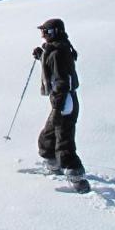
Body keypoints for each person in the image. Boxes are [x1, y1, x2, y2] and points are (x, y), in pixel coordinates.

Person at [32, 18, 84, 177]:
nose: (43, 35)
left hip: (64, 102)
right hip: (63, 101)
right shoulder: (58, 49)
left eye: (46, 31)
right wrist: (42, 56)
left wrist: (57, 108)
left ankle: (76, 176)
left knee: (64, 141)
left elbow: (62, 81)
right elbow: (54, 67)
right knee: (48, 137)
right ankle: (54, 165)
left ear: (55, 32)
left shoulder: (57, 52)